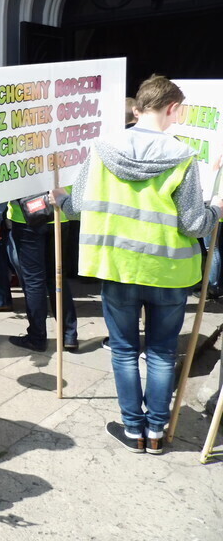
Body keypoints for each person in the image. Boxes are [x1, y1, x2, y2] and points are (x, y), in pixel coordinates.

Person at [54, 74, 223, 455]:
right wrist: (215, 211)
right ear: (172, 108)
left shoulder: (100, 149)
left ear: (136, 108)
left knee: (125, 351)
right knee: (163, 353)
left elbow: (78, 205)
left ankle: (134, 429)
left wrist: (60, 199)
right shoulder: (183, 156)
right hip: (168, 273)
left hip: (118, 267)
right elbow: (194, 224)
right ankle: (156, 431)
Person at [6, 193, 79, 352]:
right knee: (57, 277)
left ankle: (37, 337)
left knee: (34, 280)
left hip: (26, 217)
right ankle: (69, 334)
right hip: (60, 213)